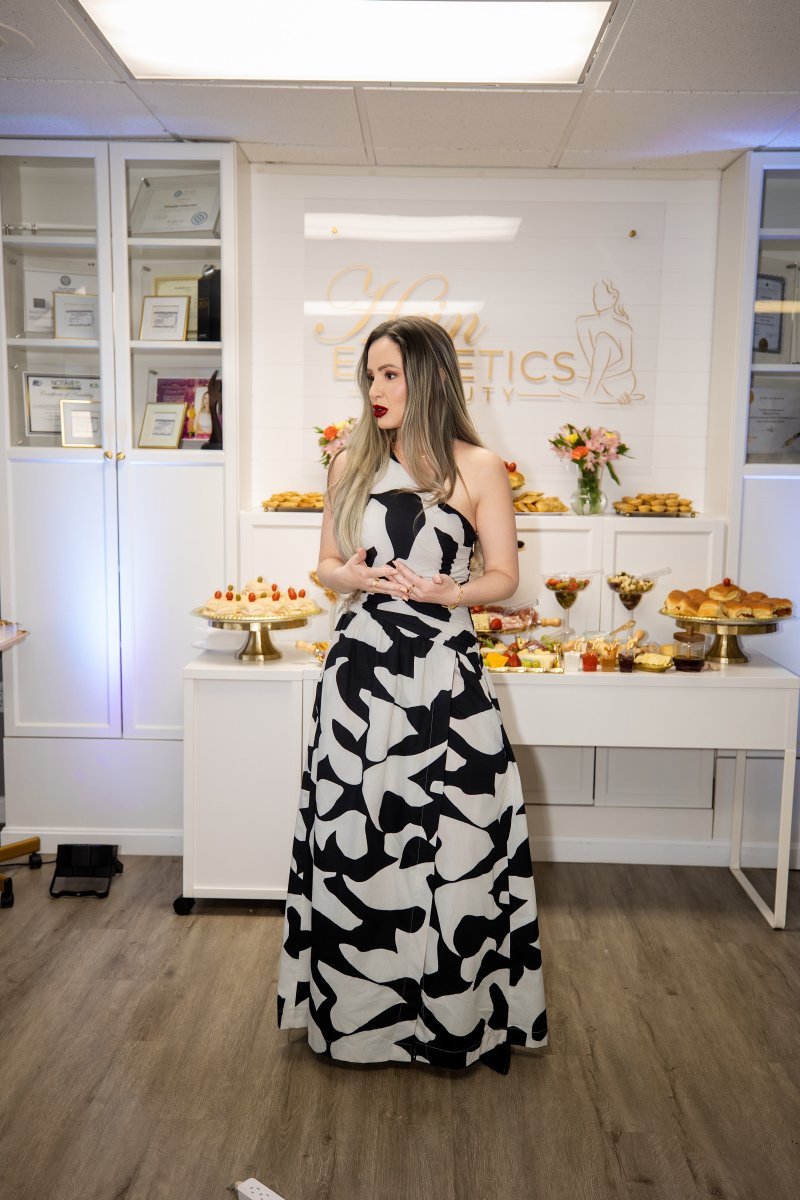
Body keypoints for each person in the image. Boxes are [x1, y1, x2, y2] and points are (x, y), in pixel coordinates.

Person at [277, 316, 547, 1073]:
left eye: (389, 373)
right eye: (369, 374)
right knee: (360, 839)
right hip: (360, 677)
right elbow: (326, 564)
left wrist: (449, 591)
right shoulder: (349, 460)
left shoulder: (479, 467)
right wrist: (352, 576)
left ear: (426, 377)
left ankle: (451, 1021)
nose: (375, 388)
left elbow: (505, 578)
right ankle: (360, 1024)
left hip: (445, 676)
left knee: (456, 841)